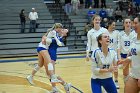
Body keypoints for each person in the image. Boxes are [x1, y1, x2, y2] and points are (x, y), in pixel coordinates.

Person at [26, 23, 71, 93]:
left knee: (51, 73)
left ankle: (63, 85)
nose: (63, 29)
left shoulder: (60, 38)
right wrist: (45, 37)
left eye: (65, 30)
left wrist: (45, 38)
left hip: (51, 55)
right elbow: (50, 37)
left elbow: (51, 40)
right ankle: (60, 86)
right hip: (46, 52)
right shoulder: (56, 35)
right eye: (63, 29)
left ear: (65, 34)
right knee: (49, 73)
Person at [118, 15, 140, 93]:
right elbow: (135, 54)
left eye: (135, 23)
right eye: (133, 23)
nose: (133, 25)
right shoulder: (134, 38)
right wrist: (127, 59)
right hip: (134, 75)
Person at [107, 20, 120, 89]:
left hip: (114, 53)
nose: (114, 26)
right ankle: (109, 81)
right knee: (108, 68)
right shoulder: (105, 32)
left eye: (115, 25)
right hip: (107, 53)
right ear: (109, 25)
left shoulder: (117, 33)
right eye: (113, 25)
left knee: (115, 68)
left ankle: (116, 80)